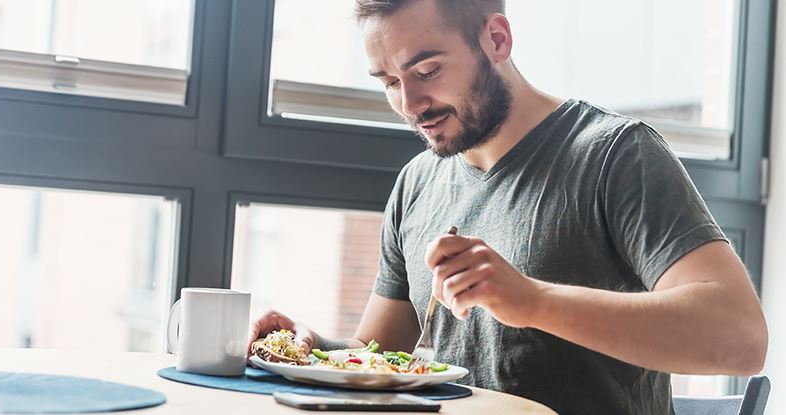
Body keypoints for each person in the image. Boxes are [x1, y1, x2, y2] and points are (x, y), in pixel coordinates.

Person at [248, 0, 769, 413]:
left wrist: (533, 301)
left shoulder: (617, 155)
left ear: (496, 39)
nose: (408, 105)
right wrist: (313, 348)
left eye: (426, 70)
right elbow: (380, 355)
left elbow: (740, 338)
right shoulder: (417, 183)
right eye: (388, 83)